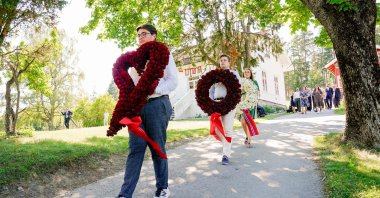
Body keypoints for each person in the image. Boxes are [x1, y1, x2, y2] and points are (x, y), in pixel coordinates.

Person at [117, 24, 178, 198]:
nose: (140, 37)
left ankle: (162, 188)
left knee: (156, 146)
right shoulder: (134, 59)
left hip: (157, 105)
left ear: (154, 35)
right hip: (137, 108)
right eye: (138, 35)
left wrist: (154, 89)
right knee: (135, 148)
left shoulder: (163, 54)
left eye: (144, 34)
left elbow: (173, 81)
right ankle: (125, 194)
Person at [209, 54, 241, 165]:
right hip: (217, 103)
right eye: (221, 60)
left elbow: (238, 88)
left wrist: (227, 82)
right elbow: (211, 89)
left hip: (229, 104)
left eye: (225, 60)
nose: (222, 62)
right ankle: (226, 143)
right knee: (216, 127)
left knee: (227, 128)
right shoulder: (215, 75)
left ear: (229, 62)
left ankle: (226, 155)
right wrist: (210, 101)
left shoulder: (234, 73)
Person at [236, 68, 259, 148]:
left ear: (251, 73)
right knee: (242, 121)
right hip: (242, 102)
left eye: (248, 72)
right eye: (245, 72)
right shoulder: (241, 82)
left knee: (247, 120)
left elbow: (257, 92)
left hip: (250, 103)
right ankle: (247, 135)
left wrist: (252, 102)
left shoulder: (254, 82)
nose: (246, 73)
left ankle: (249, 140)